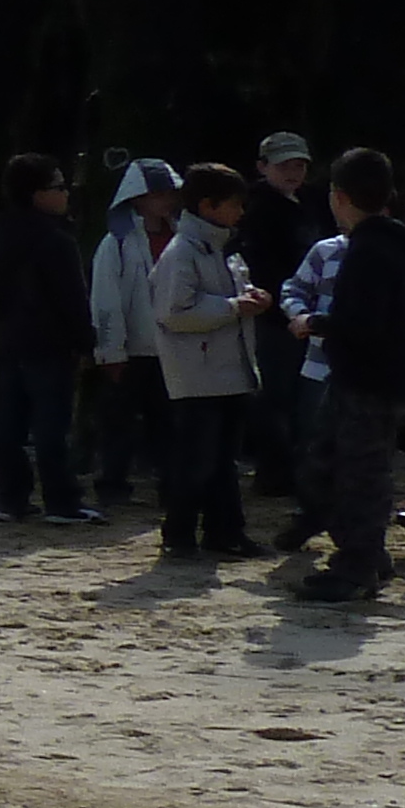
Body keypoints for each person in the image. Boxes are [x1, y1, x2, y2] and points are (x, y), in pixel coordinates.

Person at [302, 147, 405, 603]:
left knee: (359, 474)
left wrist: (315, 323)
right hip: (372, 376)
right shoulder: (390, 244)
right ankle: (367, 554)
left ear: (339, 197)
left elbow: (362, 323)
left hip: (369, 380)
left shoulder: (370, 251)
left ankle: (358, 565)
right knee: (332, 464)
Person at [148, 161, 268, 558]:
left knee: (222, 462)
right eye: (233, 204)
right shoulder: (183, 252)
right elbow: (174, 312)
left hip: (227, 371)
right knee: (197, 461)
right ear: (208, 205)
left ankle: (225, 532)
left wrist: (252, 298)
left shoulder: (217, 248)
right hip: (197, 376)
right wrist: (235, 306)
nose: (240, 212)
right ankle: (179, 534)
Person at [0, 153, 100, 524]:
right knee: (52, 426)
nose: (66, 194)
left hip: (9, 338)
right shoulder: (54, 239)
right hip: (50, 342)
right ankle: (61, 500)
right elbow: (71, 297)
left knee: (9, 426)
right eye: (59, 187)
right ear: (36, 194)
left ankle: (10, 498)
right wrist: (85, 341)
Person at [85, 159, 179, 506]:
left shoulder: (182, 238)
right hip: (131, 349)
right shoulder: (117, 243)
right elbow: (106, 300)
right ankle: (112, 485)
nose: (165, 200)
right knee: (117, 424)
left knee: (168, 423)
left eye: (169, 193)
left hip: (173, 349)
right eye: (156, 193)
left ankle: (171, 484)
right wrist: (111, 351)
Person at [238, 134, 325, 499]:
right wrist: (284, 306)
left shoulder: (310, 204)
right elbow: (258, 265)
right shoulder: (256, 209)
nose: (293, 172)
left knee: (305, 400)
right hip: (274, 318)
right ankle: (274, 472)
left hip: (310, 316)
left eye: (299, 165)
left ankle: (299, 468)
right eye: (284, 165)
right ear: (262, 166)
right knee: (275, 397)